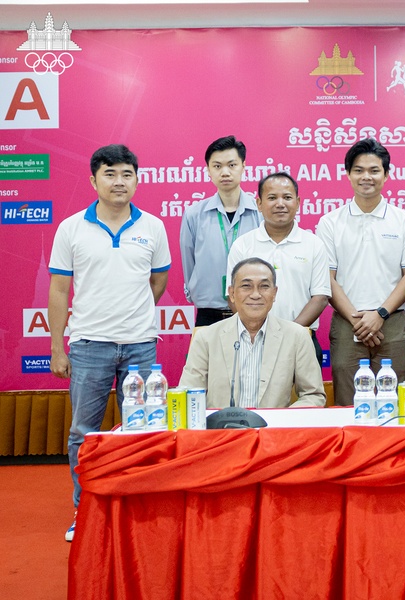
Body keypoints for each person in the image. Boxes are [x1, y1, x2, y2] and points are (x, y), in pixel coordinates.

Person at [48, 144, 171, 541]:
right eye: (110, 174)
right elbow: (59, 290)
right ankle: (84, 508)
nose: (119, 182)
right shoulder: (71, 228)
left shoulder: (152, 227)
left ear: (136, 179)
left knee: (143, 429)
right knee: (83, 432)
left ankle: (139, 504)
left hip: (140, 346)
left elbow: (158, 280)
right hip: (89, 345)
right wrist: (57, 347)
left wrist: (134, 314)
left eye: (127, 174)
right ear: (93, 180)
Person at [317, 139, 405, 406]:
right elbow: (328, 278)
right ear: (348, 174)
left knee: (392, 404)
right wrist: (359, 321)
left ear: (386, 174)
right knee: (348, 404)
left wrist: (380, 314)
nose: (366, 177)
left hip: (391, 321)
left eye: (374, 170)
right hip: (347, 320)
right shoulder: (330, 222)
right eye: (359, 170)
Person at [179, 258, 326, 408]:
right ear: (232, 293)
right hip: (221, 423)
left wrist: (282, 418)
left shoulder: (296, 336)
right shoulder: (206, 338)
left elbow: (313, 395)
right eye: (246, 286)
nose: (256, 294)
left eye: (264, 286)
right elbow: (187, 395)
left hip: (273, 423)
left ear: (274, 293)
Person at [227, 172, 330, 366]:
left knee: (306, 388)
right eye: (272, 197)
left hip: (302, 340)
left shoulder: (314, 244)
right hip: (253, 340)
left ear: (298, 203)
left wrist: (287, 335)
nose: (280, 204)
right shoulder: (243, 245)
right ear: (259, 203)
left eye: (287, 197)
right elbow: (233, 296)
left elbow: (320, 297)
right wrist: (260, 331)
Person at [180, 135, 262, 326]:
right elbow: (189, 264)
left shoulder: (260, 214)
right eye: (217, 166)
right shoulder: (194, 214)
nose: (225, 172)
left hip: (253, 310)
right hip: (209, 313)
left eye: (232, 165)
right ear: (208, 170)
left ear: (243, 166)